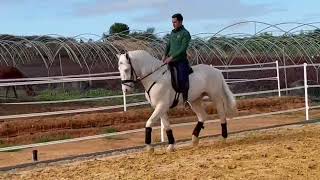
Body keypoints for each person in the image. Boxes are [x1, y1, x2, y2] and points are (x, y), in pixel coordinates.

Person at [163, 13, 192, 109]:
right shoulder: (172, 33)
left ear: (180, 22)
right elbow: (168, 44)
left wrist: (171, 57)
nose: (173, 24)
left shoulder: (185, 33)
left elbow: (183, 49)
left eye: (175, 22)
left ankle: (185, 100)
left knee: (182, 78)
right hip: (170, 61)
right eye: (172, 22)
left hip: (181, 61)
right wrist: (164, 54)